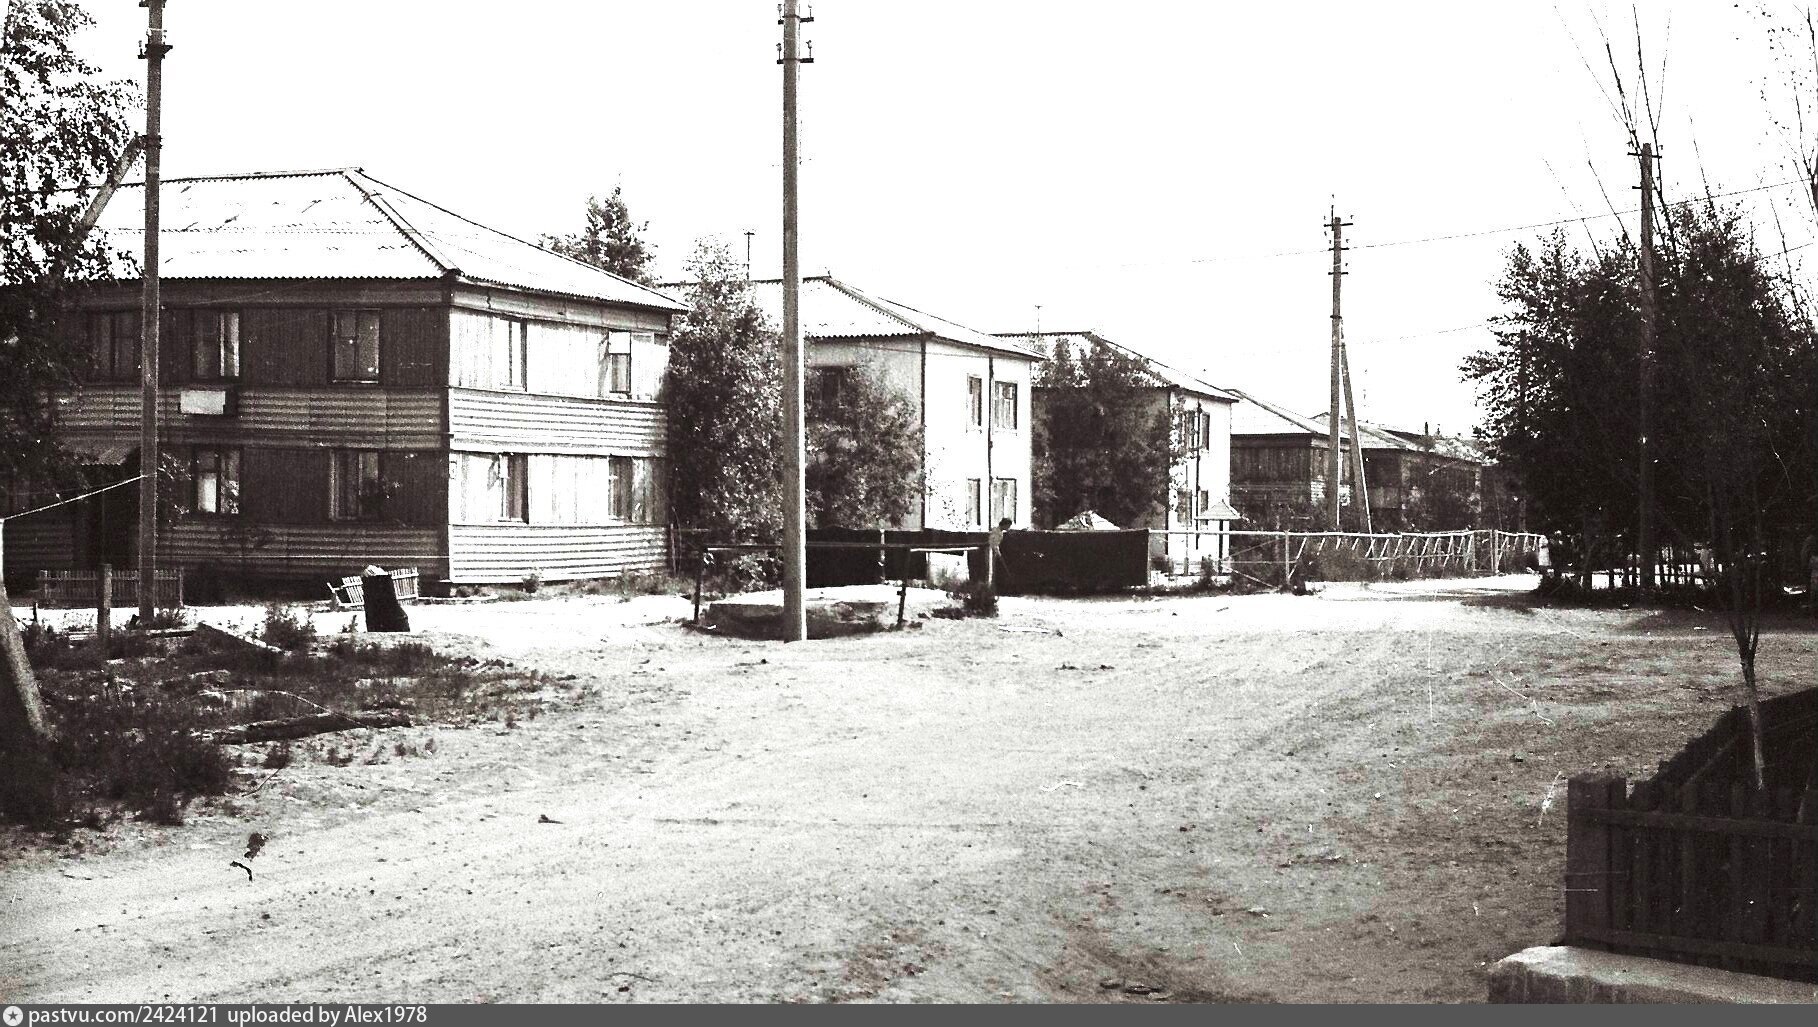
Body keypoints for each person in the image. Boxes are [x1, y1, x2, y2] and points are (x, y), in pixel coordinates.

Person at [986, 517, 1011, 589]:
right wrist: (997, 552)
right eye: (1008, 526)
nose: (1008, 528)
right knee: (990, 570)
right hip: (990, 549)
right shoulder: (996, 531)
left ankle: (991, 587)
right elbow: (992, 542)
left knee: (993, 570)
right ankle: (987, 588)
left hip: (994, 550)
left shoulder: (1000, 532)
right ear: (1005, 525)